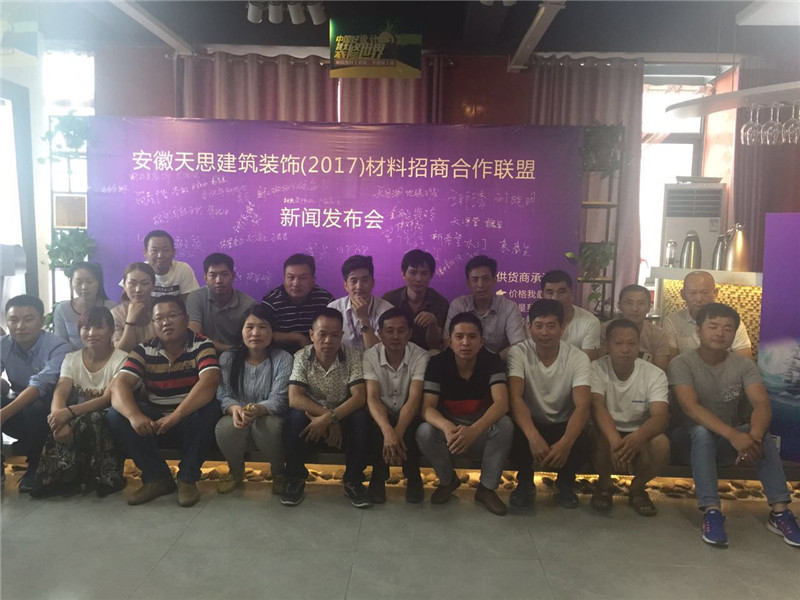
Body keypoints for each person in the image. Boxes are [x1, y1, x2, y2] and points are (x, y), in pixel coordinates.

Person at [668, 303, 799, 548]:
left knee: (762, 432)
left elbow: (761, 404)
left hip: (723, 443)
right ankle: (712, 511)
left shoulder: (744, 365)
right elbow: (690, 408)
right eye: (713, 326)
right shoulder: (681, 363)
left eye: (728, 328)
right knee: (701, 432)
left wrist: (754, 438)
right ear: (699, 330)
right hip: (686, 443)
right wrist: (734, 436)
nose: (720, 333)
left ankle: (780, 512)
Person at [106, 295, 220, 507]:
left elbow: (210, 381)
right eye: (159, 318)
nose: (166, 322)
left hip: (188, 419)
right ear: (153, 323)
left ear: (186, 319)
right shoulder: (144, 349)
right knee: (115, 415)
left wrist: (176, 416)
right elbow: (119, 385)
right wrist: (134, 416)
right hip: (155, 422)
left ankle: (187, 478)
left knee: (211, 409)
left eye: (172, 316)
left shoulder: (201, 344)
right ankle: (157, 478)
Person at [416, 312, 513, 516]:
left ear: (481, 341)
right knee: (424, 431)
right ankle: (448, 480)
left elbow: (502, 403)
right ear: (450, 341)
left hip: (481, 429)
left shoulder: (492, 361)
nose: (465, 343)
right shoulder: (437, 363)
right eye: (459, 337)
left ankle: (486, 489)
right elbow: (427, 408)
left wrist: (474, 430)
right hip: (450, 431)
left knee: (505, 425)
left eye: (472, 336)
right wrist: (447, 427)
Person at [32, 307, 128, 497]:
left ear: (111, 331)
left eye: (99, 327)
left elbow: (107, 399)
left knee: (93, 418)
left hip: (111, 415)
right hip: (79, 413)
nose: (91, 333)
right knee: (61, 421)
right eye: (86, 328)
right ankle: (62, 478)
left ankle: (104, 477)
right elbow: (60, 392)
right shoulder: (71, 359)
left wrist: (69, 413)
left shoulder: (122, 359)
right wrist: (59, 419)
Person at [282, 308, 371, 508]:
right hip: (312, 417)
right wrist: (329, 418)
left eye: (335, 335)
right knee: (294, 417)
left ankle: (353, 481)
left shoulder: (353, 356)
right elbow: (295, 398)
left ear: (342, 335)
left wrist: (332, 418)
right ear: (311, 335)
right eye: (322, 334)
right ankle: (295, 478)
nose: (328, 341)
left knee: (360, 418)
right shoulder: (301, 356)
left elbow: (359, 397)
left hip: (344, 415)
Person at [507, 299, 592, 509]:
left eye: (551, 326)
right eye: (539, 326)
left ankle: (565, 483)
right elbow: (515, 397)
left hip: (562, 422)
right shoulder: (518, 353)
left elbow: (582, 405)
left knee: (580, 437)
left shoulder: (578, 358)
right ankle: (525, 483)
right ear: (529, 328)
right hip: (531, 420)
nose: (544, 333)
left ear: (563, 328)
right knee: (511, 430)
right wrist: (533, 436)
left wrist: (565, 443)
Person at [590, 319, 670, 516]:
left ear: (639, 344)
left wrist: (638, 437)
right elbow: (597, 406)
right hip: (607, 429)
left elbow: (660, 416)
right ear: (607, 345)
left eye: (632, 343)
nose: (625, 349)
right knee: (598, 437)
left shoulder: (654, 374)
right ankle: (604, 485)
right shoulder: (595, 368)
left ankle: (637, 488)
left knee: (661, 444)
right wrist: (614, 440)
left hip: (640, 430)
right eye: (619, 343)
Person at [214, 305, 292, 495]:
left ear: (272, 332)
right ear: (241, 331)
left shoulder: (283, 358)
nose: (255, 333)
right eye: (249, 327)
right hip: (236, 411)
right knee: (224, 428)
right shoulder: (228, 358)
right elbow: (224, 395)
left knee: (268, 426)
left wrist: (258, 409)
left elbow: (280, 399)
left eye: (263, 327)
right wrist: (234, 409)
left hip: (269, 414)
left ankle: (279, 473)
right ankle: (236, 471)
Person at [1, 295, 72, 492]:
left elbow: (40, 384)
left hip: (51, 409)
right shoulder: (3, 344)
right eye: (13, 320)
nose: (20, 326)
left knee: (35, 408)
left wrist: (3, 415)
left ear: (41, 321)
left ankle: (36, 467)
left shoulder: (59, 346)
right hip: (21, 407)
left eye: (28, 319)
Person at [363, 308, 428, 504]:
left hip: (409, 409)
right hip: (381, 410)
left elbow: (415, 397)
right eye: (389, 331)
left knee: (411, 426)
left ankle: (413, 477)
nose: (395, 336)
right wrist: (387, 431)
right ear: (379, 333)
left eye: (401, 331)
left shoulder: (421, 356)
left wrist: (396, 432)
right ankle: (378, 477)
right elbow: (372, 397)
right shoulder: (370, 356)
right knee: (376, 426)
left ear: (410, 333)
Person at [444, 255, 525, 359]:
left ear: (494, 280)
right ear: (468, 283)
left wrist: (493, 362)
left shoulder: (509, 307)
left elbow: (518, 345)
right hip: (463, 361)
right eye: (475, 280)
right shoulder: (459, 305)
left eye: (486, 279)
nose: (481, 285)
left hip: (499, 362)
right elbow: (447, 341)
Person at [663, 270, 752, 360]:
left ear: (715, 293)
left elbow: (745, 361)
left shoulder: (730, 322)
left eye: (704, 293)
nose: (698, 299)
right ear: (683, 294)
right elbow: (673, 363)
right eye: (693, 293)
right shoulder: (673, 322)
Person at [261, 254, 335, 355]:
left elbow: (334, 332)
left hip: (317, 354)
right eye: (291, 277)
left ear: (313, 280)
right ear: (284, 279)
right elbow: (263, 333)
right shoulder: (271, 301)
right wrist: (297, 337)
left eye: (303, 278)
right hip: (279, 355)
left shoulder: (325, 300)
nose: (296, 283)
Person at [187, 252, 256, 352]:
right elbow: (194, 336)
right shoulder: (196, 297)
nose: (219, 280)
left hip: (238, 356)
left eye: (224, 274)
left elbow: (252, 341)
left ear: (233, 276)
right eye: (213, 275)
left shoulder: (249, 305)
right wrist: (230, 349)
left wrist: (233, 353)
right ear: (205, 279)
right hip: (203, 352)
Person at [382, 249, 449, 351]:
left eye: (424, 273)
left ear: (431, 275)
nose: (418, 279)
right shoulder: (389, 299)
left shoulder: (440, 303)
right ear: (403, 274)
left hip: (427, 354)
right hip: (396, 352)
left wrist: (433, 324)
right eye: (413, 273)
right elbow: (383, 336)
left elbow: (435, 346)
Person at [327, 255, 393, 351]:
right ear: (345, 285)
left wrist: (363, 319)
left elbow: (380, 354)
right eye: (353, 281)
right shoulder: (334, 309)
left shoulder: (387, 311)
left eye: (364, 280)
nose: (359, 286)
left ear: (373, 282)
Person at [600, 284, 670, 371]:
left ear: (649, 307)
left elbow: (660, 371)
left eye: (641, 303)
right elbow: (600, 365)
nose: (635, 309)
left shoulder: (658, 334)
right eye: (629, 303)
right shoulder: (605, 330)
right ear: (619, 306)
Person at [52, 262, 117, 349]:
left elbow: (115, 341)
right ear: (71, 283)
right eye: (78, 282)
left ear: (99, 283)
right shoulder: (62, 309)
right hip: (71, 356)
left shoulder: (112, 308)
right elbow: (60, 344)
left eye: (90, 282)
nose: (84, 287)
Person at [120, 229, 199, 300]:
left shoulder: (183, 269)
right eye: (154, 250)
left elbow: (189, 303)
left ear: (173, 252)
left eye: (165, 250)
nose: (160, 255)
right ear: (145, 252)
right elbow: (126, 302)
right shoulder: (137, 271)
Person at [540, 270, 601, 360]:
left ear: (572, 294)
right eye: (550, 293)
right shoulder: (535, 319)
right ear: (542, 296)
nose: (555, 298)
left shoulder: (590, 322)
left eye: (561, 292)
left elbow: (587, 362)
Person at [112, 262, 158, 352]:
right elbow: (121, 352)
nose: (138, 289)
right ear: (124, 286)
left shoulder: (161, 308)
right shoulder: (116, 314)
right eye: (132, 283)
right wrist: (130, 321)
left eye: (145, 283)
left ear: (153, 286)